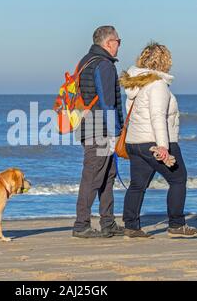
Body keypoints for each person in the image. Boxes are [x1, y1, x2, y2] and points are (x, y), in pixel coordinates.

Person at [119, 42, 197, 238]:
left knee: (137, 184)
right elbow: (157, 116)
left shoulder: (136, 84)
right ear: (165, 61)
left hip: (135, 142)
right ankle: (176, 224)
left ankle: (131, 225)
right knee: (178, 179)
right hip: (155, 142)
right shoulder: (157, 84)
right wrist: (163, 147)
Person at [72, 26, 125, 238]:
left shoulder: (85, 61)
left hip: (88, 125)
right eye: (118, 41)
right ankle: (81, 224)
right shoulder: (103, 65)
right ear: (108, 43)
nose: (119, 45)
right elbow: (107, 102)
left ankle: (108, 222)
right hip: (99, 128)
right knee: (93, 176)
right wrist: (115, 133)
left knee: (107, 175)